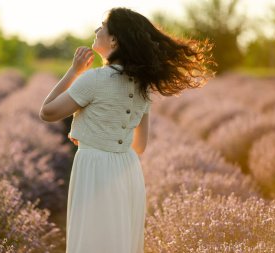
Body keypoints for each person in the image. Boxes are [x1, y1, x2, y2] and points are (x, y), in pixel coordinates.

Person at [39, 7, 215, 253]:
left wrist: (74, 71)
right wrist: (98, 132)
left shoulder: (94, 80)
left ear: (114, 39)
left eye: (102, 26)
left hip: (95, 168)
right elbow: (139, 145)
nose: (96, 30)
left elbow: (47, 112)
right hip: (127, 170)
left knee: (93, 241)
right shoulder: (143, 84)